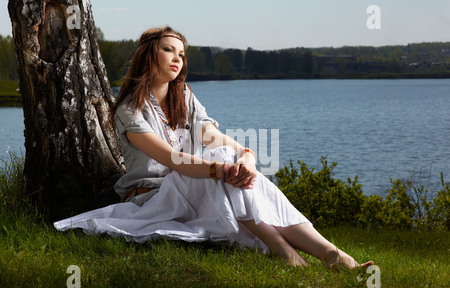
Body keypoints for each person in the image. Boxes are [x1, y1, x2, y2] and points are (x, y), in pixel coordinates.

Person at [54, 26, 373, 270]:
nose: (178, 58)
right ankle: (287, 251)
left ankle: (331, 254)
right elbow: (172, 159)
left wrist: (246, 158)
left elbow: (212, 136)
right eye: (169, 50)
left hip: (199, 186)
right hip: (152, 196)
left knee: (234, 163)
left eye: (181, 53)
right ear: (150, 55)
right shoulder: (129, 108)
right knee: (221, 163)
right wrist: (221, 168)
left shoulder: (186, 97)